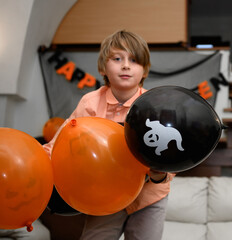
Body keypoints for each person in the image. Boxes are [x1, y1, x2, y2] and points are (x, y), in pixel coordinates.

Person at [43, 29, 174, 240]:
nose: (125, 65)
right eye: (117, 58)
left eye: (134, 60)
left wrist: (160, 174)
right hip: (105, 193)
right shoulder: (90, 103)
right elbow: (62, 141)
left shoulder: (155, 105)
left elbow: (170, 153)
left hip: (149, 197)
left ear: (145, 70)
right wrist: (37, 161)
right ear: (103, 67)